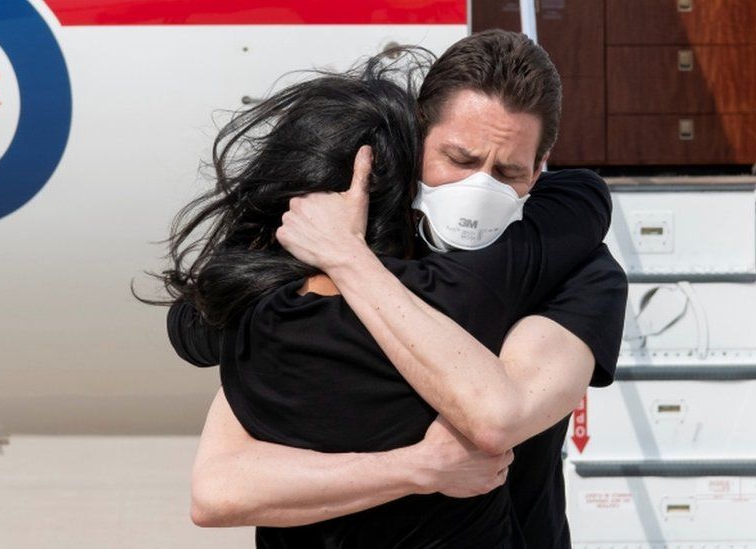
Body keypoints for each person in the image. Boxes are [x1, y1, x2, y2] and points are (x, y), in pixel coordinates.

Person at [161, 31, 627, 547]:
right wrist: (414, 468)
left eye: (509, 171)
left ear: (539, 171)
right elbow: (219, 490)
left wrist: (348, 259)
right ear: (416, 138)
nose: (480, 187)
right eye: (461, 160)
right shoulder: (328, 258)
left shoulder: (579, 273)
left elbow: (498, 416)